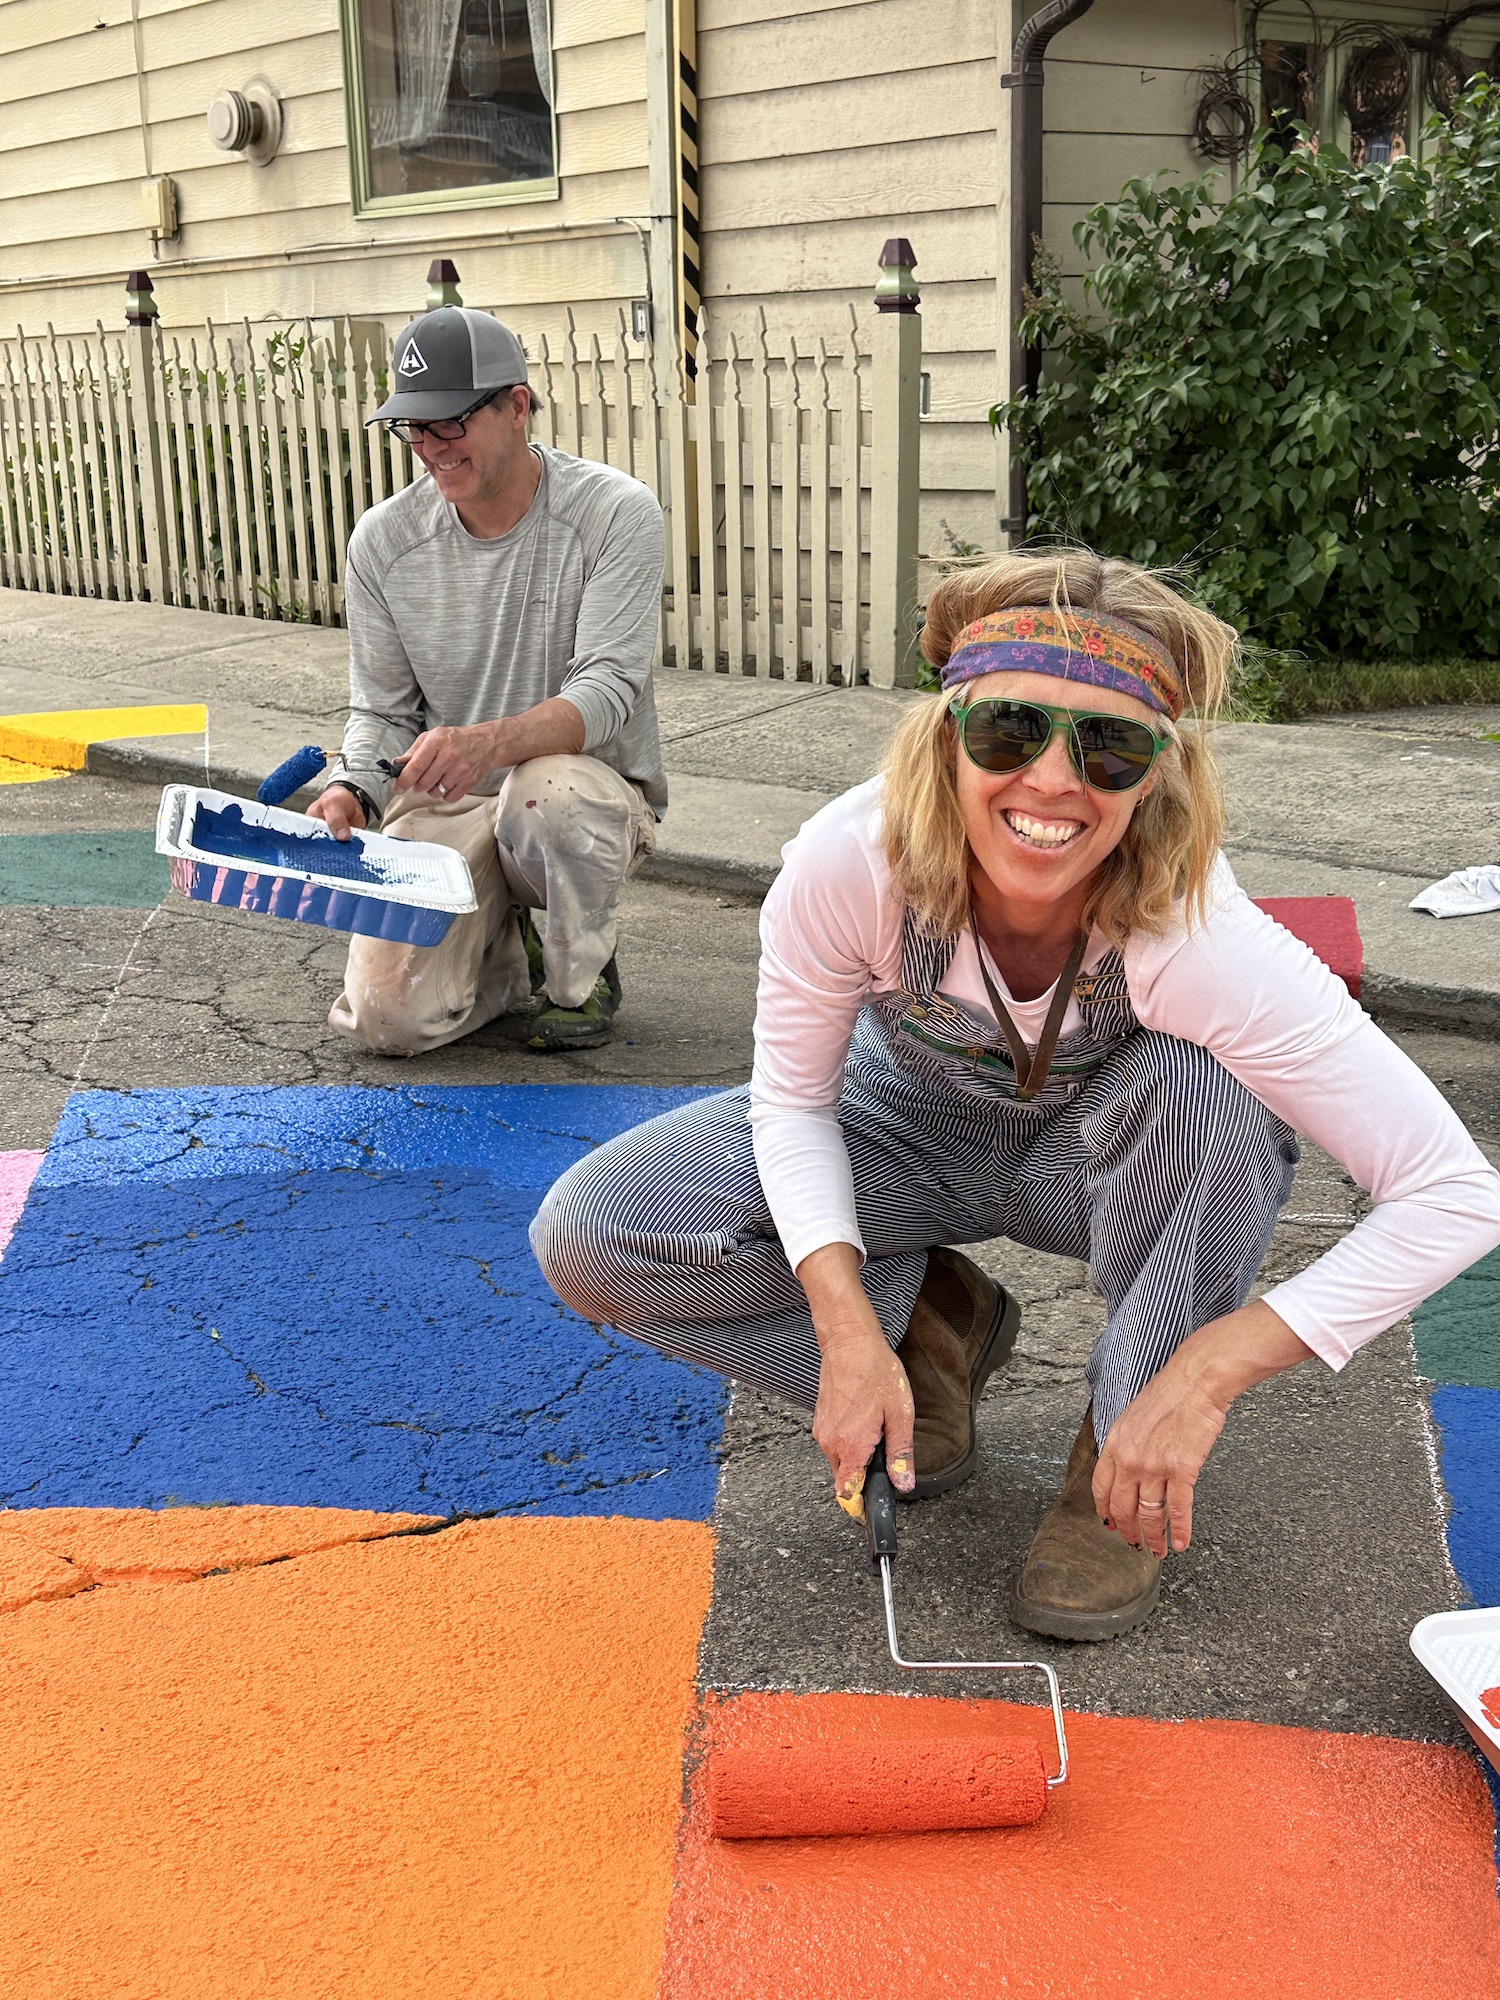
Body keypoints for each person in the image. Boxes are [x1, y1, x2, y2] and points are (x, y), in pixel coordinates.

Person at [531, 550, 1500, 1641]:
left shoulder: (1200, 935)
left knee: (1204, 1096)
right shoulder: (849, 863)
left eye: (1111, 744)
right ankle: (932, 1326)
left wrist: (1208, 1370)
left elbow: (1455, 1193)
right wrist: (846, 1327)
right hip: (900, 1129)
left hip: (1090, 1158)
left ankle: (1121, 1452)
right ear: (944, 736)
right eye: (1008, 730)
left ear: (1160, 773)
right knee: (593, 1232)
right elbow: (794, 1104)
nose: (1051, 781)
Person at [308, 305, 666, 1054]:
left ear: (519, 406)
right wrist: (353, 787)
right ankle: (504, 961)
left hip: (580, 796)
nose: (430, 448)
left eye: (451, 423)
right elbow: (382, 709)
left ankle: (580, 971)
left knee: (546, 796)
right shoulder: (382, 541)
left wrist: (489, 744)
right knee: (384, 1022)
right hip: (446, 799)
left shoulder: (615, 513)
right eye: (414, 428)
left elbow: (606, 689)